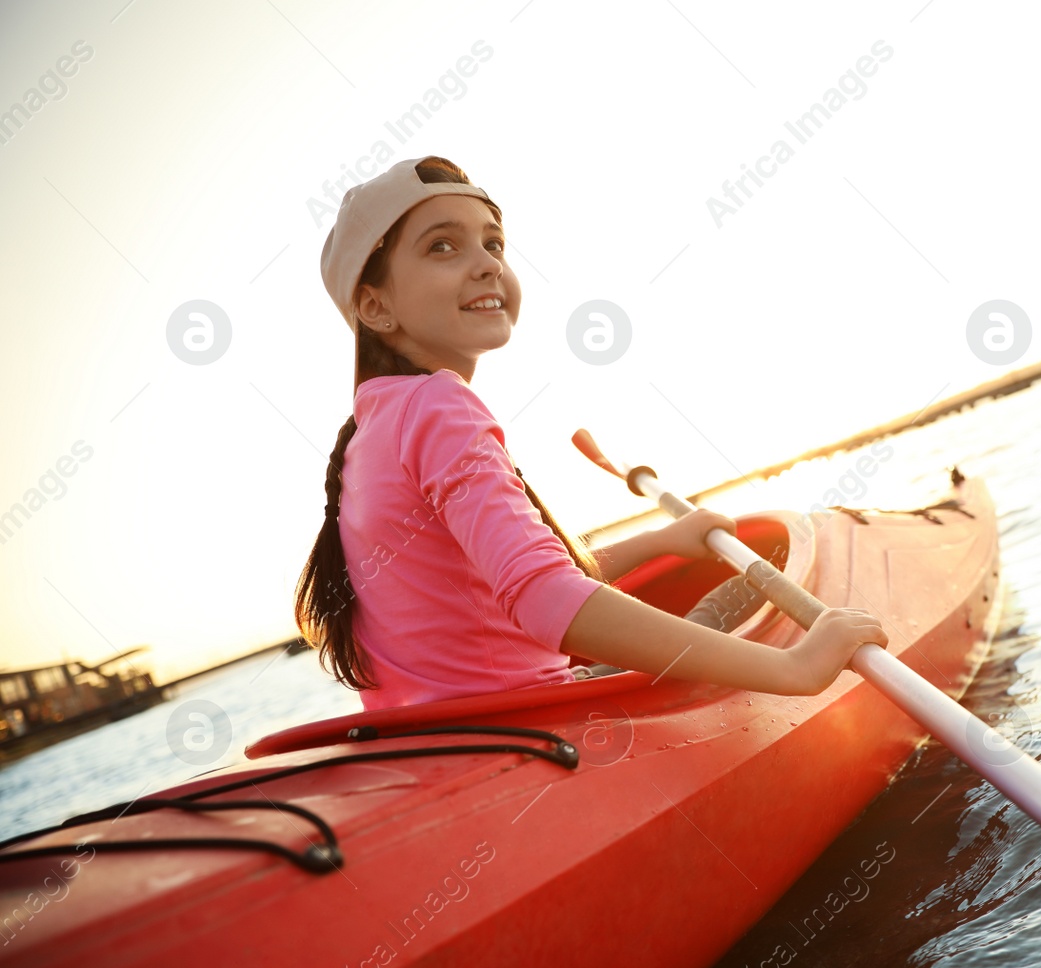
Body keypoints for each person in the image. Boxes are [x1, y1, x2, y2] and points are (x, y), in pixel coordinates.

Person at [294, 155, 885, 709]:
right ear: (374, 307)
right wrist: (795, 667)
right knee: (768, 564)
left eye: (493, 242)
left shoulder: (371, 431)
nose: (487, 263)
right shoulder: (439, 405)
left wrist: (661, 542)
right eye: (443, 246)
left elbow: (512, 576)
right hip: (527, 717)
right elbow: (544, 597)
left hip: (452, 727)